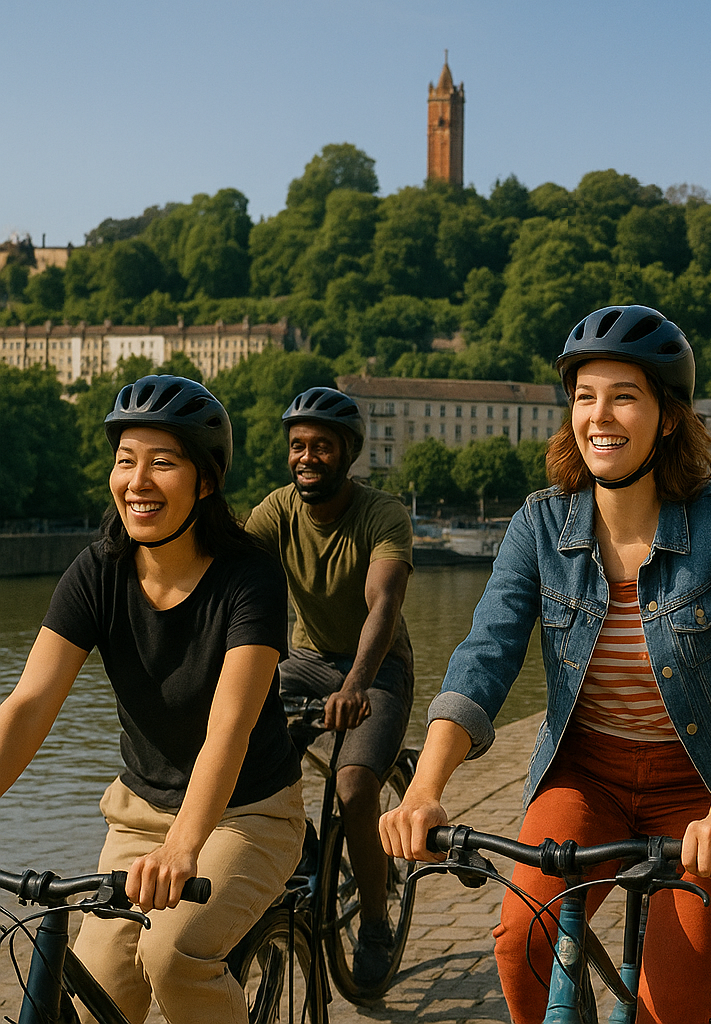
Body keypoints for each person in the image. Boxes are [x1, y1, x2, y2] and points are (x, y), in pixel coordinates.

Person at [380, 304, 711, 1024]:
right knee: (520, 939)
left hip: (701, 784)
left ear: (667, 418)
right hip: (587, 775)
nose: (600, 416)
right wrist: (424, 788)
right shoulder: (541, 523)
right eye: (584, 396)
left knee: (673, 1003)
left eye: (624, 396)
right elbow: (485, 654)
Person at [0, 375, 304, 1023]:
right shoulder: (97, 572)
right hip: (138, 816)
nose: (137, 481)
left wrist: (183, 847)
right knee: (95, 999)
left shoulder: (249, 576)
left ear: (207, 481)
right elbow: (27, 706)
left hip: (248, 814)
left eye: (162, 463)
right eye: (125, 461)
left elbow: (230, 726)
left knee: (174, 955)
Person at [244, 385, 414, 989]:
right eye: (297, 446)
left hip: (378, 666)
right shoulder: (276, 511)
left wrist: (358, 684)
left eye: (321, 446)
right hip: (306, 661)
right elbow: (237, 584)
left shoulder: (381, 514)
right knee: (240, 753)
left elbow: (383, 603)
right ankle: (307, 850)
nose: (307, 456)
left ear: (349, 453)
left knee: (352, 783)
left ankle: (373, 921)